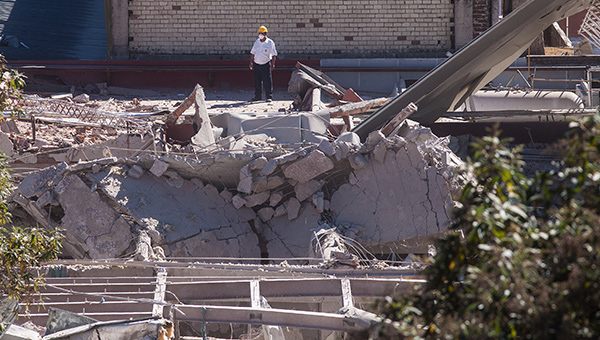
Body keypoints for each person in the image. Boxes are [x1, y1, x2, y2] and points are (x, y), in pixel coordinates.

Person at [250, 25, 277, 102]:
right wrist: (251, 63)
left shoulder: (270, 43)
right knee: (257, 82)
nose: (260, 35)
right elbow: (253, 53)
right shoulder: (257, 42)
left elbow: (274, 54)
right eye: (259, 33)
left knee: (267, 81)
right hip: (257, 64)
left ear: (265, 34)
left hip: (265, 64)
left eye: (262, 33)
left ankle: (269, 96)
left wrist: (272, 64)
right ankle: (257, 96)